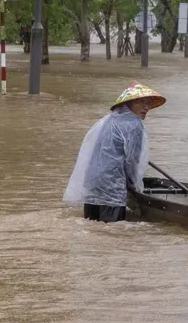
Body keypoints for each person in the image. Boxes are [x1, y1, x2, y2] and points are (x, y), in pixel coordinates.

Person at [63, 83, 166, 223]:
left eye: (148, 103)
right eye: (141, 102)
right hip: (111, 188)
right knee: (113, 232)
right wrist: (135, 186)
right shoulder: (134, 124)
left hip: (92, 184)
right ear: (129, 103)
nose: (146, 107)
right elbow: (132, 162)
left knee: (91, 228)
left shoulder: (109, 120)